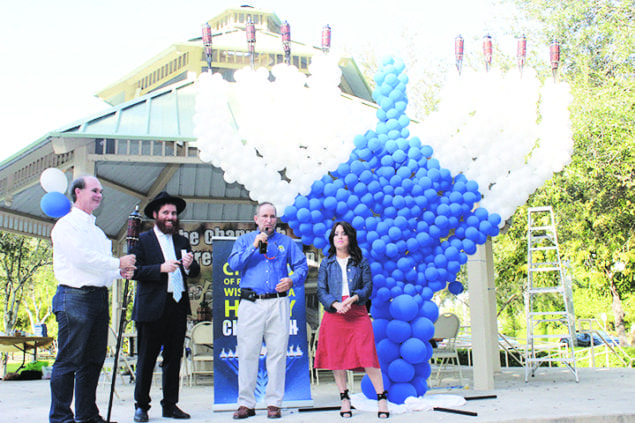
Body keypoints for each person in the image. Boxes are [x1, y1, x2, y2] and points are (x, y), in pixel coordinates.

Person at [49, 175, 136, 423]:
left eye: (100, 191)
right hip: (74, 296)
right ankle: (60, 417)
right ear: (77, 192)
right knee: (69, 359)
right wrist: (116, 262)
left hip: (98, 297)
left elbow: (102, 269)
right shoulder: (66, 226)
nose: (99, 195)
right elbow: (81, 259)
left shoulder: (98, 232)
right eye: (94, 190)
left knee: (93, 360)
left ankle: (87, 415)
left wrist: (118, 272)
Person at [228, 202, 308, 419]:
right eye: (264, 216)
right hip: (251, 303)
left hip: (278, 303)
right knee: (247, 353)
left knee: (278, 353)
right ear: (256, 219)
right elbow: (233, 264)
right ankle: (246, 403)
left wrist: (292, 280)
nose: (269, 220)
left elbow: (302, 267)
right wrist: (254, 246)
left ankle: (274, 403)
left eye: (272, 216)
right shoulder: (245, 240)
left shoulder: (286, 242)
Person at [131, 192, 200, 422]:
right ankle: (141, 406)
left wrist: (190, 266)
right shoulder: (143, 240)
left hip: (177, 306)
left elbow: (195, 271)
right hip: (151, 308)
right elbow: (134, 271)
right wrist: (160, 268)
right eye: (166, 213)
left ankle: (170, 404)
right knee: (146, 358)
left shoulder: (182, 241)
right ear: (155, 215)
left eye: (173, 213)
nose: (170, 217)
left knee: (174, 358)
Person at [314, 221, 389, 419]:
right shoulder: (326, 263)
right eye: (336, 233)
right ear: (332, 238)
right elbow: (321, 290)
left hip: (357, 312)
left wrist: (353, 298)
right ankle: (344, 398)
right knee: (336, 357)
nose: (339, 237)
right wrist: (336, 304)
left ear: (350, 238)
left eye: (343, 234)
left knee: (367, 355)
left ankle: (381, 398)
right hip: (334, 314)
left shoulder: (360, 262)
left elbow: (368, 287)